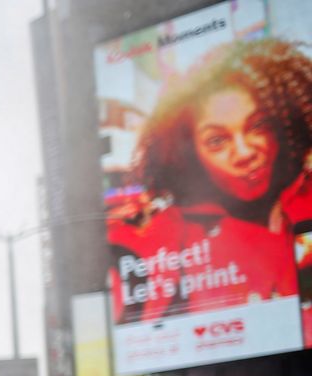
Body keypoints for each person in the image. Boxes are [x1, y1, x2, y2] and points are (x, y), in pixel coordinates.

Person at [107, 39, 312, 331]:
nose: (244, 153)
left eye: (258, 126)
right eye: (217, 140)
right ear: (190, 154)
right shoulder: (167, 236)